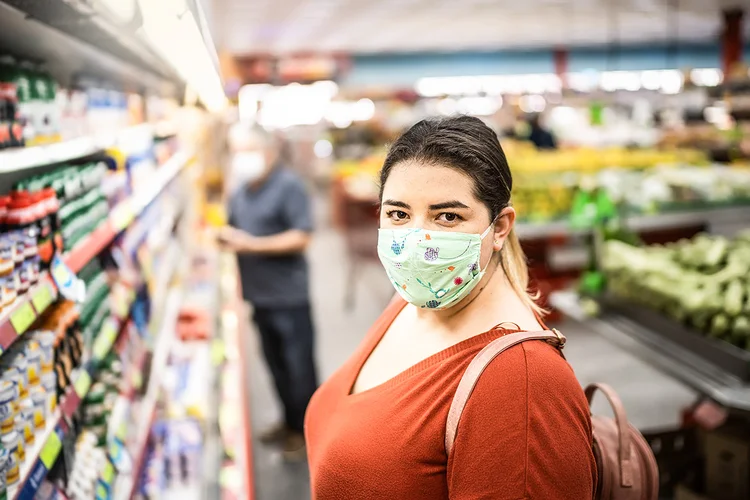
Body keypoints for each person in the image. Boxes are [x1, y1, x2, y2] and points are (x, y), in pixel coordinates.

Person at [305, 116, 596, 499]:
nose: (415, 241)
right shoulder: (410, 300)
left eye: (447, 217)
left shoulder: (523, 382)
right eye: (398, 214)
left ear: (501, 227)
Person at [218, 127, 318, 461]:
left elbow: (302, 236)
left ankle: (307, 433)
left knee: (298, 368)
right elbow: (233, 226)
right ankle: (288, 422)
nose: (241, 157)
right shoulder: (242, 190)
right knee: (274, 365)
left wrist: (252, 245)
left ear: (268, 151)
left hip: (288, 296)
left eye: (247, 149)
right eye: (236, 150)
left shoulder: (288, 186)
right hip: (259, 296)